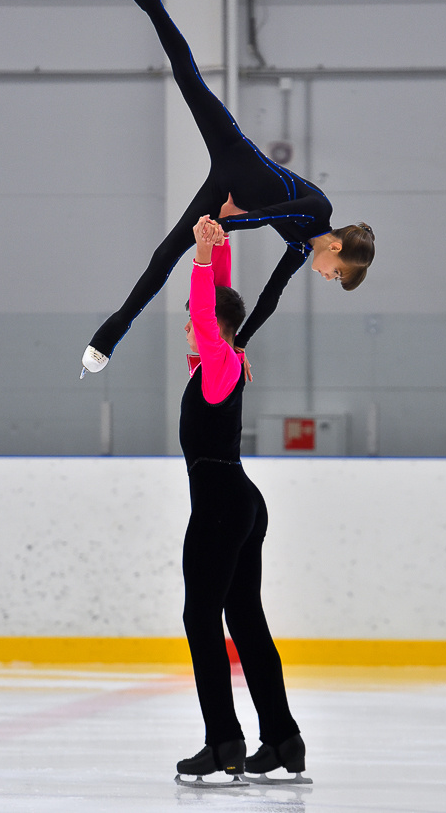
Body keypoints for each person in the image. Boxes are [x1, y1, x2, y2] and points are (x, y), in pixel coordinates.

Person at [80, 0, 375, 377]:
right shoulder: (319, 210)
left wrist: (238, 346)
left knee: (163, 257)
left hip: (223, 194)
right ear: (335, 247)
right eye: (338, 273)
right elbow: (272, 214)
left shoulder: (297, 248)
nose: (329, 278)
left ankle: (106, 338)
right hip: (234, 150)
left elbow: (270, 297)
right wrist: (229, 224)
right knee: (187, 76)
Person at [175, 214, 310, 786]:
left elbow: (209, 312)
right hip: (240, 499)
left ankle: (223, 740)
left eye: (192, 321)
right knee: (244, 618)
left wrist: (203, 260)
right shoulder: (224, 361)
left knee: (200, 616)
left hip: (221, 505)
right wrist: (217, 249)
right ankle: (282, 739)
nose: (188, 327)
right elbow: (219, 310)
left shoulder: (221, 362)